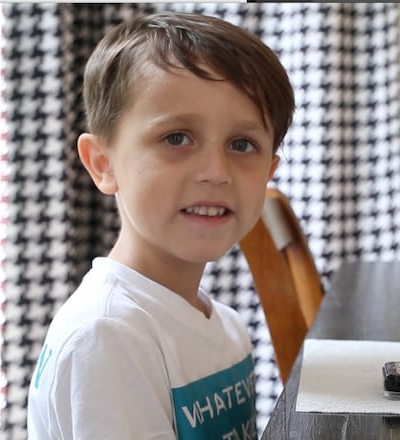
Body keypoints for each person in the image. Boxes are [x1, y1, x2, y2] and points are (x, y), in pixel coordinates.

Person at [26, 11, 294, 439]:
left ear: (269, 172)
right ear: (103, 164)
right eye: (176, 138)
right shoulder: (108, 336)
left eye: (242, 144)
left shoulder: (226, 327)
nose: (215, 171)